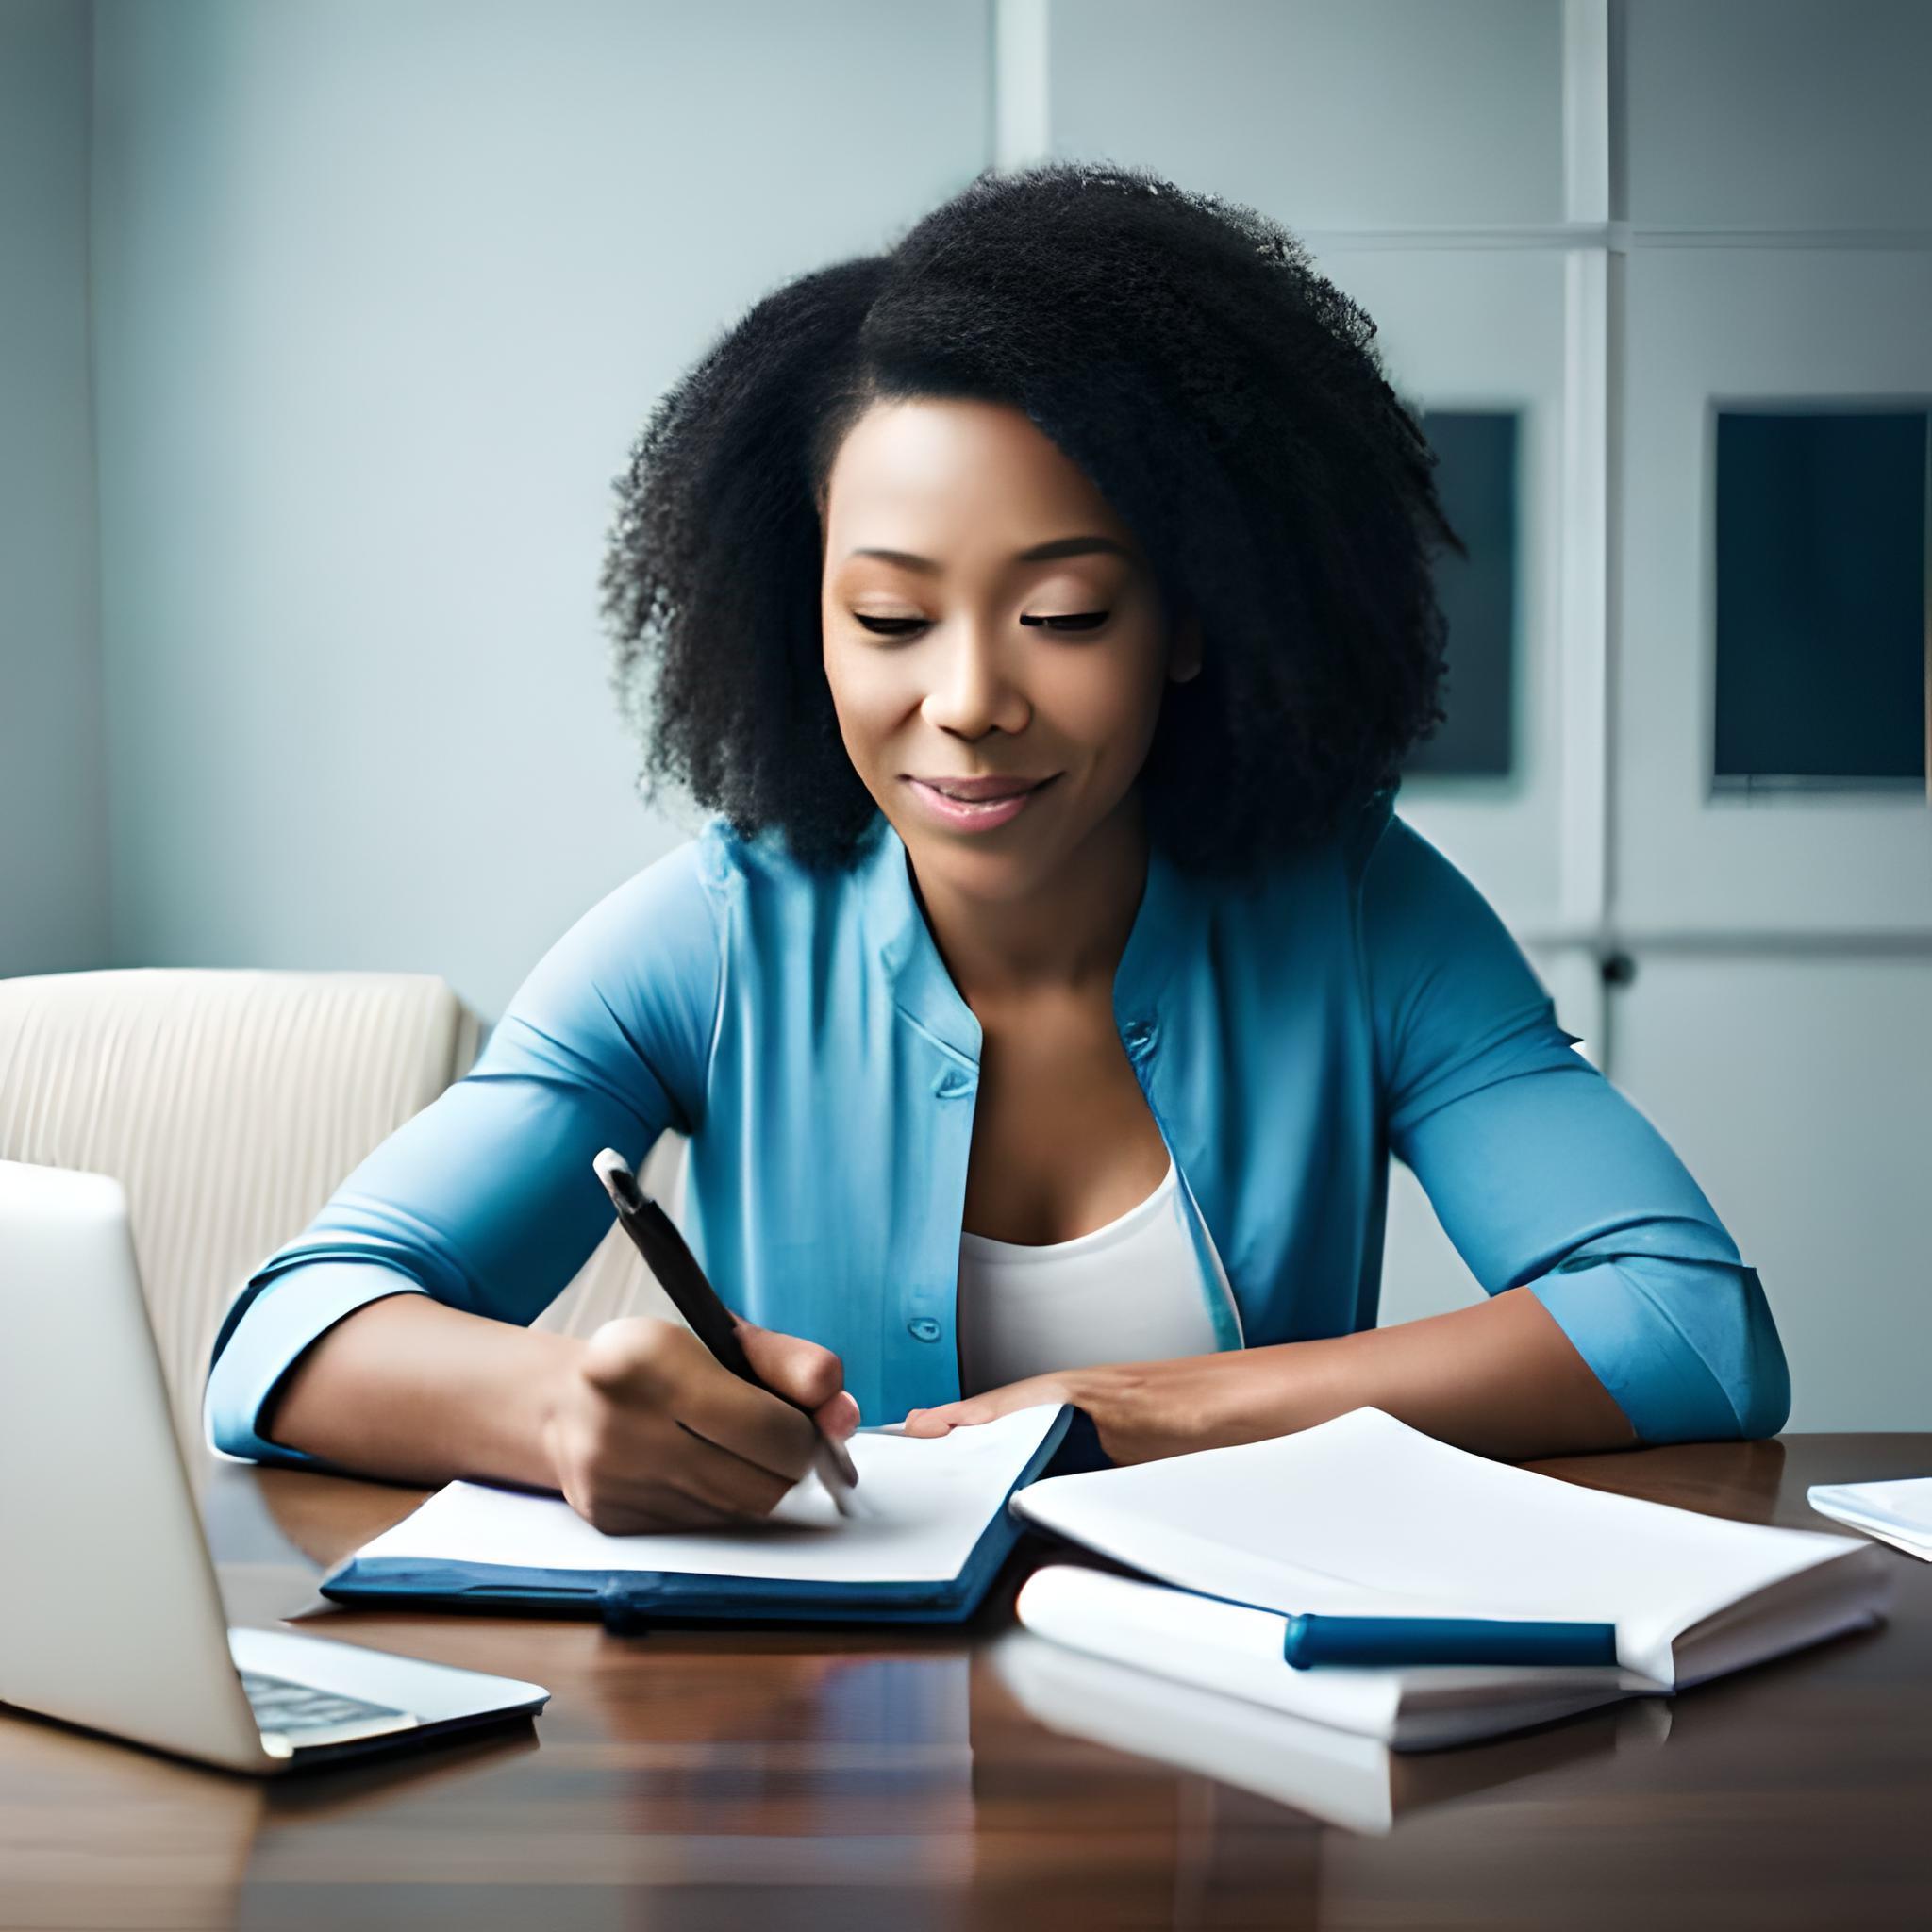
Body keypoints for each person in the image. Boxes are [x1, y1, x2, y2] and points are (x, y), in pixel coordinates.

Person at [204, 161, 1790, 1534]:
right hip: (821, 1752)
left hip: (1250, 1734)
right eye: (890, 619)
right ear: (802, 624)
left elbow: (1688, 1326)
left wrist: (1164, 1411)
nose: (969, 702)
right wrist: (562, 1411)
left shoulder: (1364, 913)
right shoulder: (709, 939)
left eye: (1066, 614)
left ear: (1193, 620)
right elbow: (288, 1336)